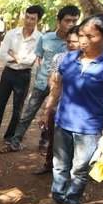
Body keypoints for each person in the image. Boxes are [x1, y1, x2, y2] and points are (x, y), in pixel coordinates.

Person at [37, 14, 103, 204]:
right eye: (82, 35)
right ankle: (57, 195)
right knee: (59, 164)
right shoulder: (68, 58)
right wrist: (47, 111)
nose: (84, 40)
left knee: (79, 168)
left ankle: (72, 201)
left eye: (91, 36)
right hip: (62, 122)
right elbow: (57, 88)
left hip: (89, 128)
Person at [0, 5, 80, 155]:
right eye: (67, 20)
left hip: (62, 88)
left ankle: (44, 143)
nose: (71, 24)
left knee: (52, 117)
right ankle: (15, 142)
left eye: (74, 21)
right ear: (58, 21)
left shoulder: (78, 44)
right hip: (41, 83)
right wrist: (42, 76)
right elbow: (39, 59)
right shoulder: (46, 39)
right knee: (27, 115)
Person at [0, 5, 44, 145]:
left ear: (38, 21)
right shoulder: (12, 34)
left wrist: (12, 53)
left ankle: (10, 136)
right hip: (7, 73)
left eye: (32, 18)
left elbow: (29, 61)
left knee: (18, 108)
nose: (28, 21)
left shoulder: (40, 38)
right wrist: (18, 57)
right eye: (27, 17)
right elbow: (2, 55)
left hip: (23, 75)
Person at [32, 25, 81, 175]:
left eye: (75, 41)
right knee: (53, 138)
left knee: (75, 143)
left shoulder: (88, 61)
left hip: (79, 108)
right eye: (69, 41)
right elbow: (52, 80)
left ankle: (72, 171)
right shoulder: (59, 58)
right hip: (60, 103)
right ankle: (49, 165)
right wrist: (57, 99)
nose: (71, 44)